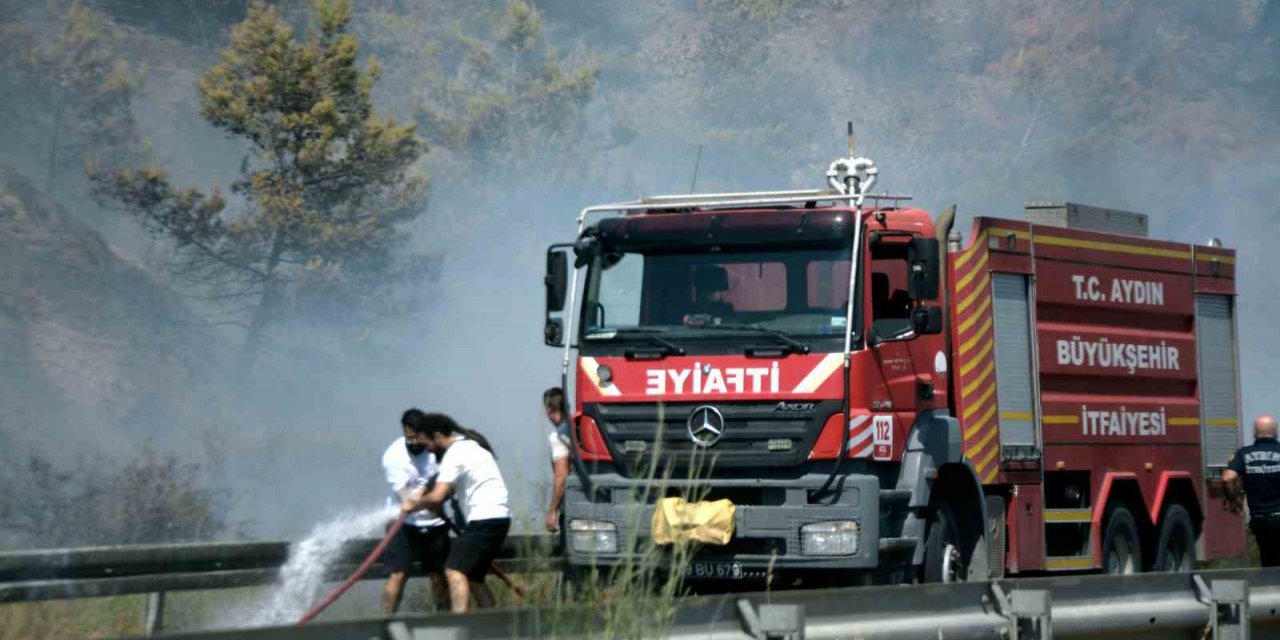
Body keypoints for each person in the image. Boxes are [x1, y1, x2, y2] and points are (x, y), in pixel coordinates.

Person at [400, 413, 512, 613]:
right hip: (500, 519)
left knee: (454, 570)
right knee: (474, 577)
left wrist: (413, 505)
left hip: (484, 519)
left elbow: (437, 496)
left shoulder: (454, 454)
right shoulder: (471, 446)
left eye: (427, 444)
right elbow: (447, 488)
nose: (428, 450)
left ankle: (460, 624)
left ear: (437, 437)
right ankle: (495, 624)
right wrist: (429, 498)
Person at [380, 409, 451, 614]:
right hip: (402, 523)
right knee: (398, 574)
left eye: (416, 438)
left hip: (435, 522)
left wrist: (430, 497)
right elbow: (403, 496)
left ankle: (445, 623)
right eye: (408, 438)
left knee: (439, 577)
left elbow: (444, 481)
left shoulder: (437, 450)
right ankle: (384, 621)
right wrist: (418, 500)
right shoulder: (393, 456)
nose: (412, 443)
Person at [1224, 414, 1280, 567]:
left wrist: (1234, 502)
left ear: (1255, 432)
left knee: (1268, 560)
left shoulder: (1244, 453)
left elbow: (1228, 478)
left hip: (1259, 518)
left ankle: (1269, 581)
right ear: (1276, 432)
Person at [543, 387, 571, 533]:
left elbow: (561, 475)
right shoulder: (579, 427)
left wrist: (552, 511)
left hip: (571, 503)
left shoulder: (558, 436)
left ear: (549, 410)